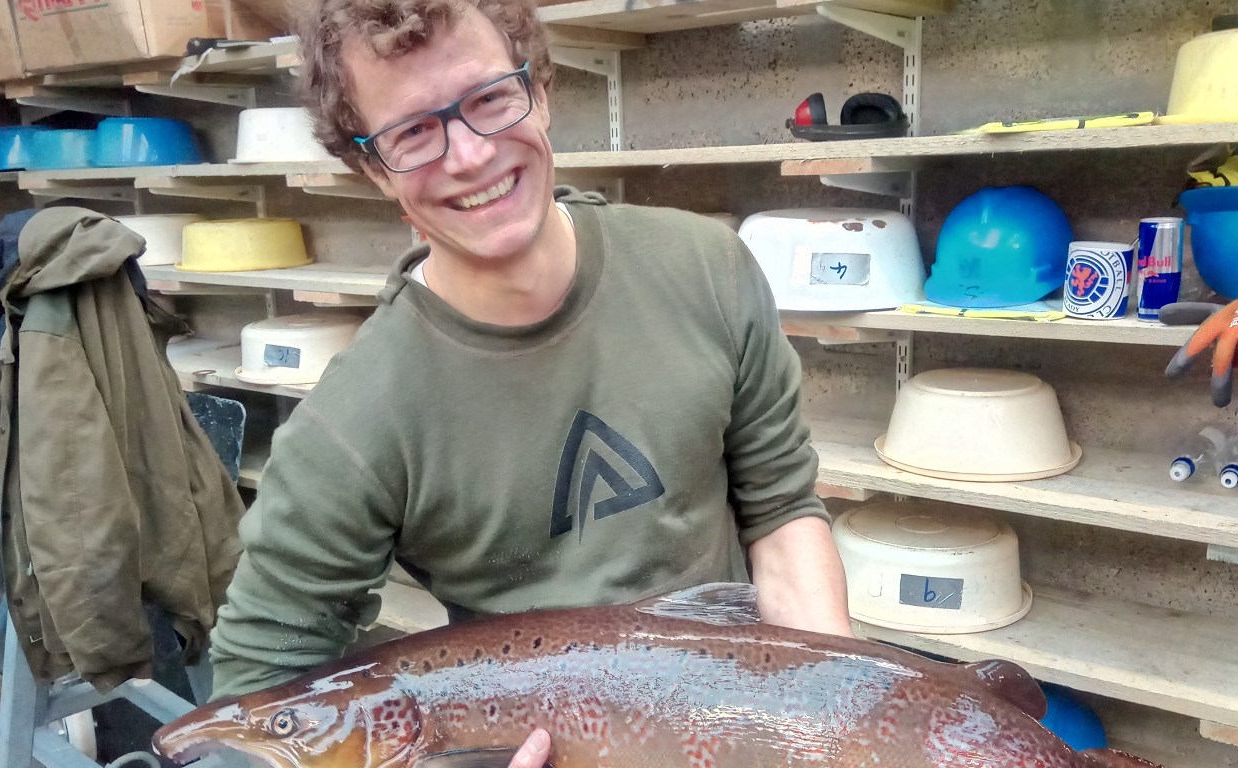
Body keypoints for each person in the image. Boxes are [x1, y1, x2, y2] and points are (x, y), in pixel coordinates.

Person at [207, 0, 855, 763]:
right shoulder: (352, 429)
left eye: (489, 99)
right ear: (371, 167)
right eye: (413, 132)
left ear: (540, 89)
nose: (471, 155)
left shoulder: (704, 268)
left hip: (745, 727)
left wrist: (832, 722)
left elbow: (780, 514)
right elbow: (256, 689)